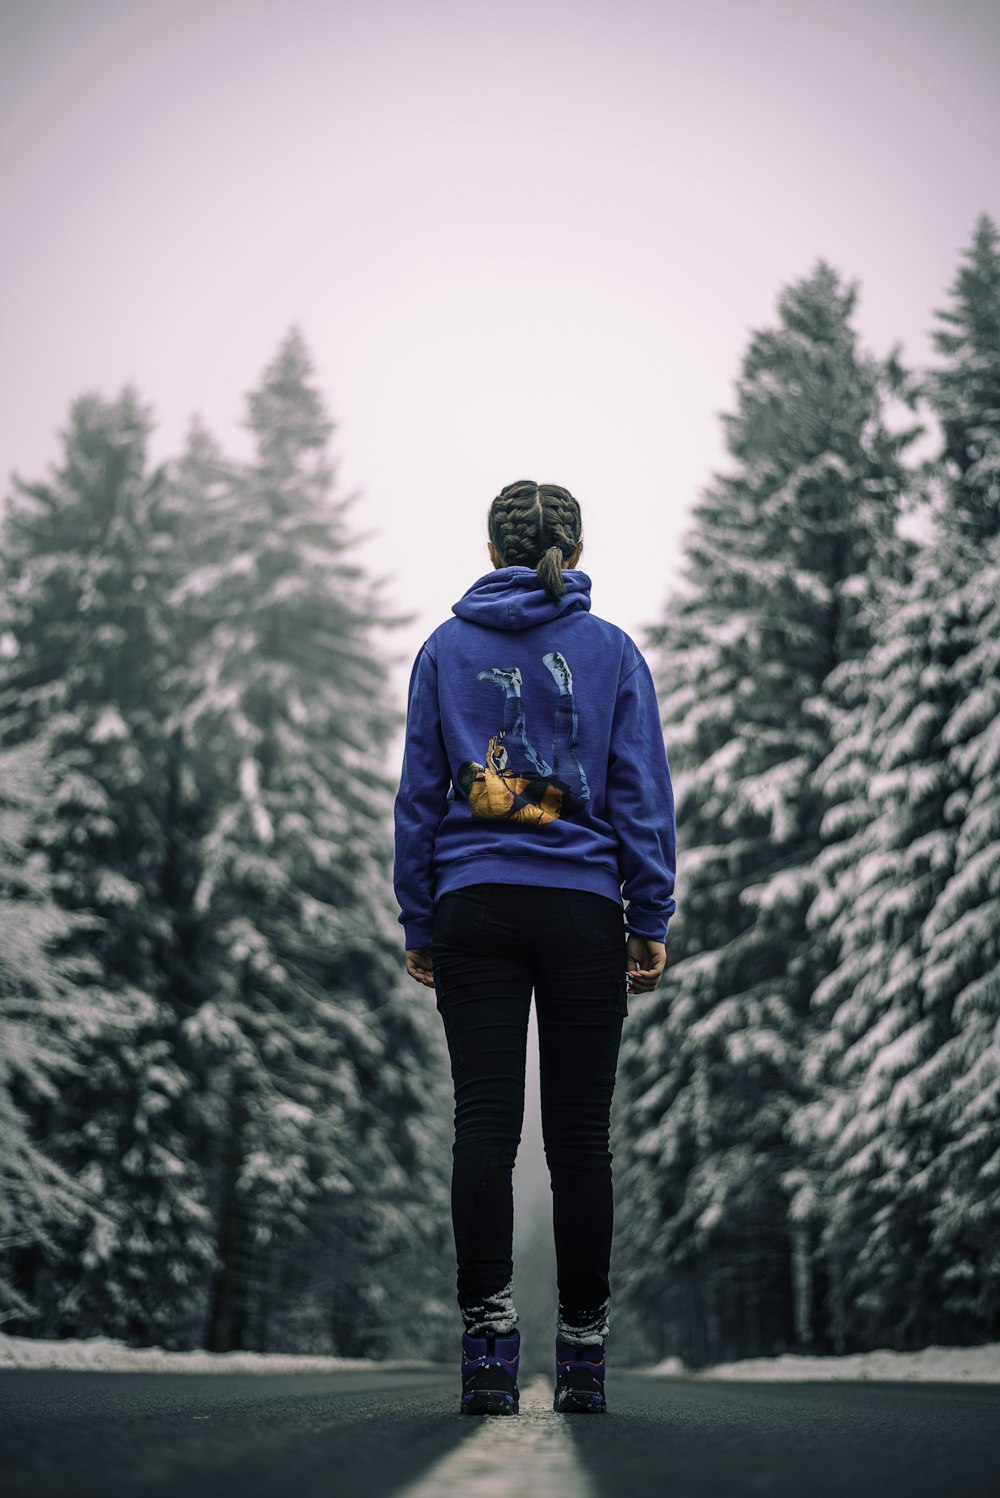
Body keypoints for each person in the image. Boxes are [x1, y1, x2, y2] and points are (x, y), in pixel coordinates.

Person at [393, 479, 676, 1415]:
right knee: (579, 1139)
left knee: (484, 1124)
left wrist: (419, 917)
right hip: (583, 913)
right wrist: (649, 915)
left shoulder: (445, 649)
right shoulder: (612, 651)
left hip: (474, 905)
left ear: (490, 554)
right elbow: (639, 790)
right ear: (578, 550)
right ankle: (585, 1355)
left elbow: (418, 796)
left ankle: (485, 1348)